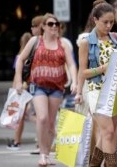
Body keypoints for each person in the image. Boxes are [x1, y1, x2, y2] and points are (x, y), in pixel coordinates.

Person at [14, 13, 77, 166]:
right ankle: (42, 154)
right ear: (43, 26)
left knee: (50, 122)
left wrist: (74, 81)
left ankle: (47, 154)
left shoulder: (63, 44)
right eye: (50, 24)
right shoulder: (35, 41)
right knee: (42, 118)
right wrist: (18, 79)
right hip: (38, 85)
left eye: (56, 24)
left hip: (56, 87)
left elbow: (71, 64)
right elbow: (21, 59)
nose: (54, 26)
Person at [75, 3, 117, 167]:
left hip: (116, 90)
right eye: (105, 22)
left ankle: (93, 164)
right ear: (95, 20)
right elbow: (83, 72)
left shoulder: (116, 38)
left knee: (108, 135)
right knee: (108, 131)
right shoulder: (86, 41)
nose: (109, 26)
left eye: (111, 22)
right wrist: (102, 69)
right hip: (96, 90)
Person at [7, 15, 44, 151]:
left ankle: (23, 142)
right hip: (31, 84)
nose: (32, 28)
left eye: (34, 25)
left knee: (30, 115)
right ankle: (36, 143)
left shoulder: (48, 43)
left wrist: (17, 84)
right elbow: (20, 65)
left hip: (32, 85)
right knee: (31, 115)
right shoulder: (33, 45)